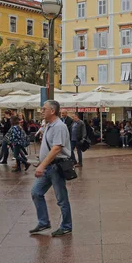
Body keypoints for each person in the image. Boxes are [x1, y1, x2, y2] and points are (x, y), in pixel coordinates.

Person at [29, 100, 73, 237]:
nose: (41, 111)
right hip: (48, 166)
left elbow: (56, 148)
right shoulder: (48, 125)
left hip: (56, 167)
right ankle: (43, 222)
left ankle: (66, 226)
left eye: (44, 109)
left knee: (61, 198)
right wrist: (41, 161)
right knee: (36, 192)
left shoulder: (59, 126)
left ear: (52, 111)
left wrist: (42, 165)